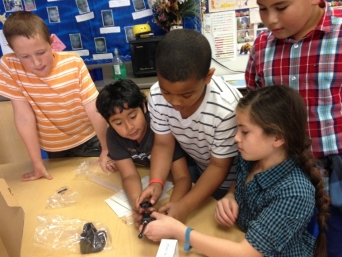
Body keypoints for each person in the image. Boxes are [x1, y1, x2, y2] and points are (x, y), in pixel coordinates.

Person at [142, 86, 330, 257]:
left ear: (278, 138)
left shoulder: (294, 192)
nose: (236, 138)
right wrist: (231, 196)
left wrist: (179, 232)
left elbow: (246, 253)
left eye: (244, 132)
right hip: (238, 237)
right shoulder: (250, 157)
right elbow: (240, 183)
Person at [245, 1, 342, 256]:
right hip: (287, 179)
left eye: (282, 7)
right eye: (263, 8)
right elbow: (254, 114)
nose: (271, 20)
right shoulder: (262, 46)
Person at [0, 11, 115, 181]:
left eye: (41, 52)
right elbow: (23, 117)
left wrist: (106, 149)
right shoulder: (9, 66)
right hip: (54, 147)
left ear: (51, 42)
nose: (36, 63)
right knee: (63, 184)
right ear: (13, 51)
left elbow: (94, 109)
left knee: (98, 181)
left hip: (88, 140)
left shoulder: (73, 62)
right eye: (25, 57)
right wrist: (37, 163)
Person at [137, 29, 242, 222]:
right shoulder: (157, 95)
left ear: (208, 77)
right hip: (203, 176)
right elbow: (163, 144)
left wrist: (184, 207)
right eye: (166, 92)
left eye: (186, 95)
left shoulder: (226, 108)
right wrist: (156, 182)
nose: (175, 102)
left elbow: (219, 166)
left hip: (234, 184)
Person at [96, 79, 191, 226]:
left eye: (133, 116)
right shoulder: (113, 136)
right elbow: (129, 175)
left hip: (174, 182)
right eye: (118, 123)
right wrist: (137, 203)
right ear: (108, 122)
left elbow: (183, 177)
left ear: (144, 107)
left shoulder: (160, 127)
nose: (129, 127)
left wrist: (172, 208)